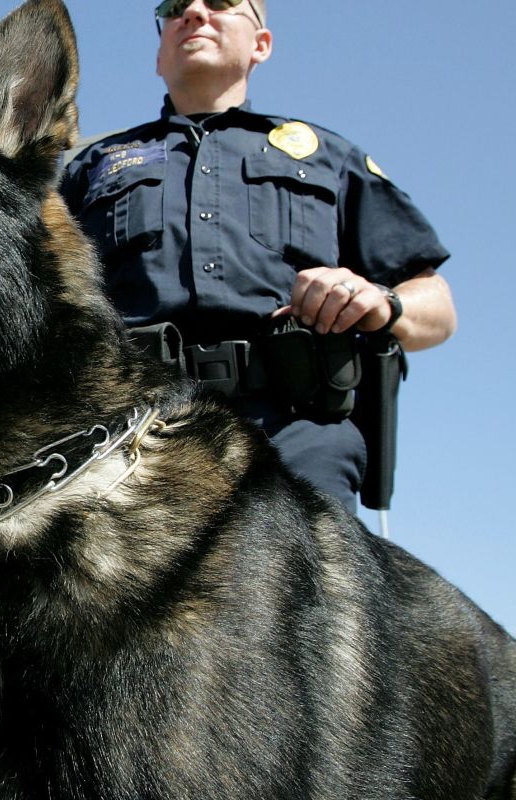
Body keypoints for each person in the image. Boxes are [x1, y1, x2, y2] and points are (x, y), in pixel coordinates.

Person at [60, 0, 457, 513]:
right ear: (158, 55)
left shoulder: (326, 156)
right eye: (175, 7)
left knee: (311, 589)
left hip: (295, 431)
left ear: (261, 45)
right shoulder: (88, 166)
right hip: (130, 432)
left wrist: (380, 301)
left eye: (222, 2)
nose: (195, 12)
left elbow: (438, 308)